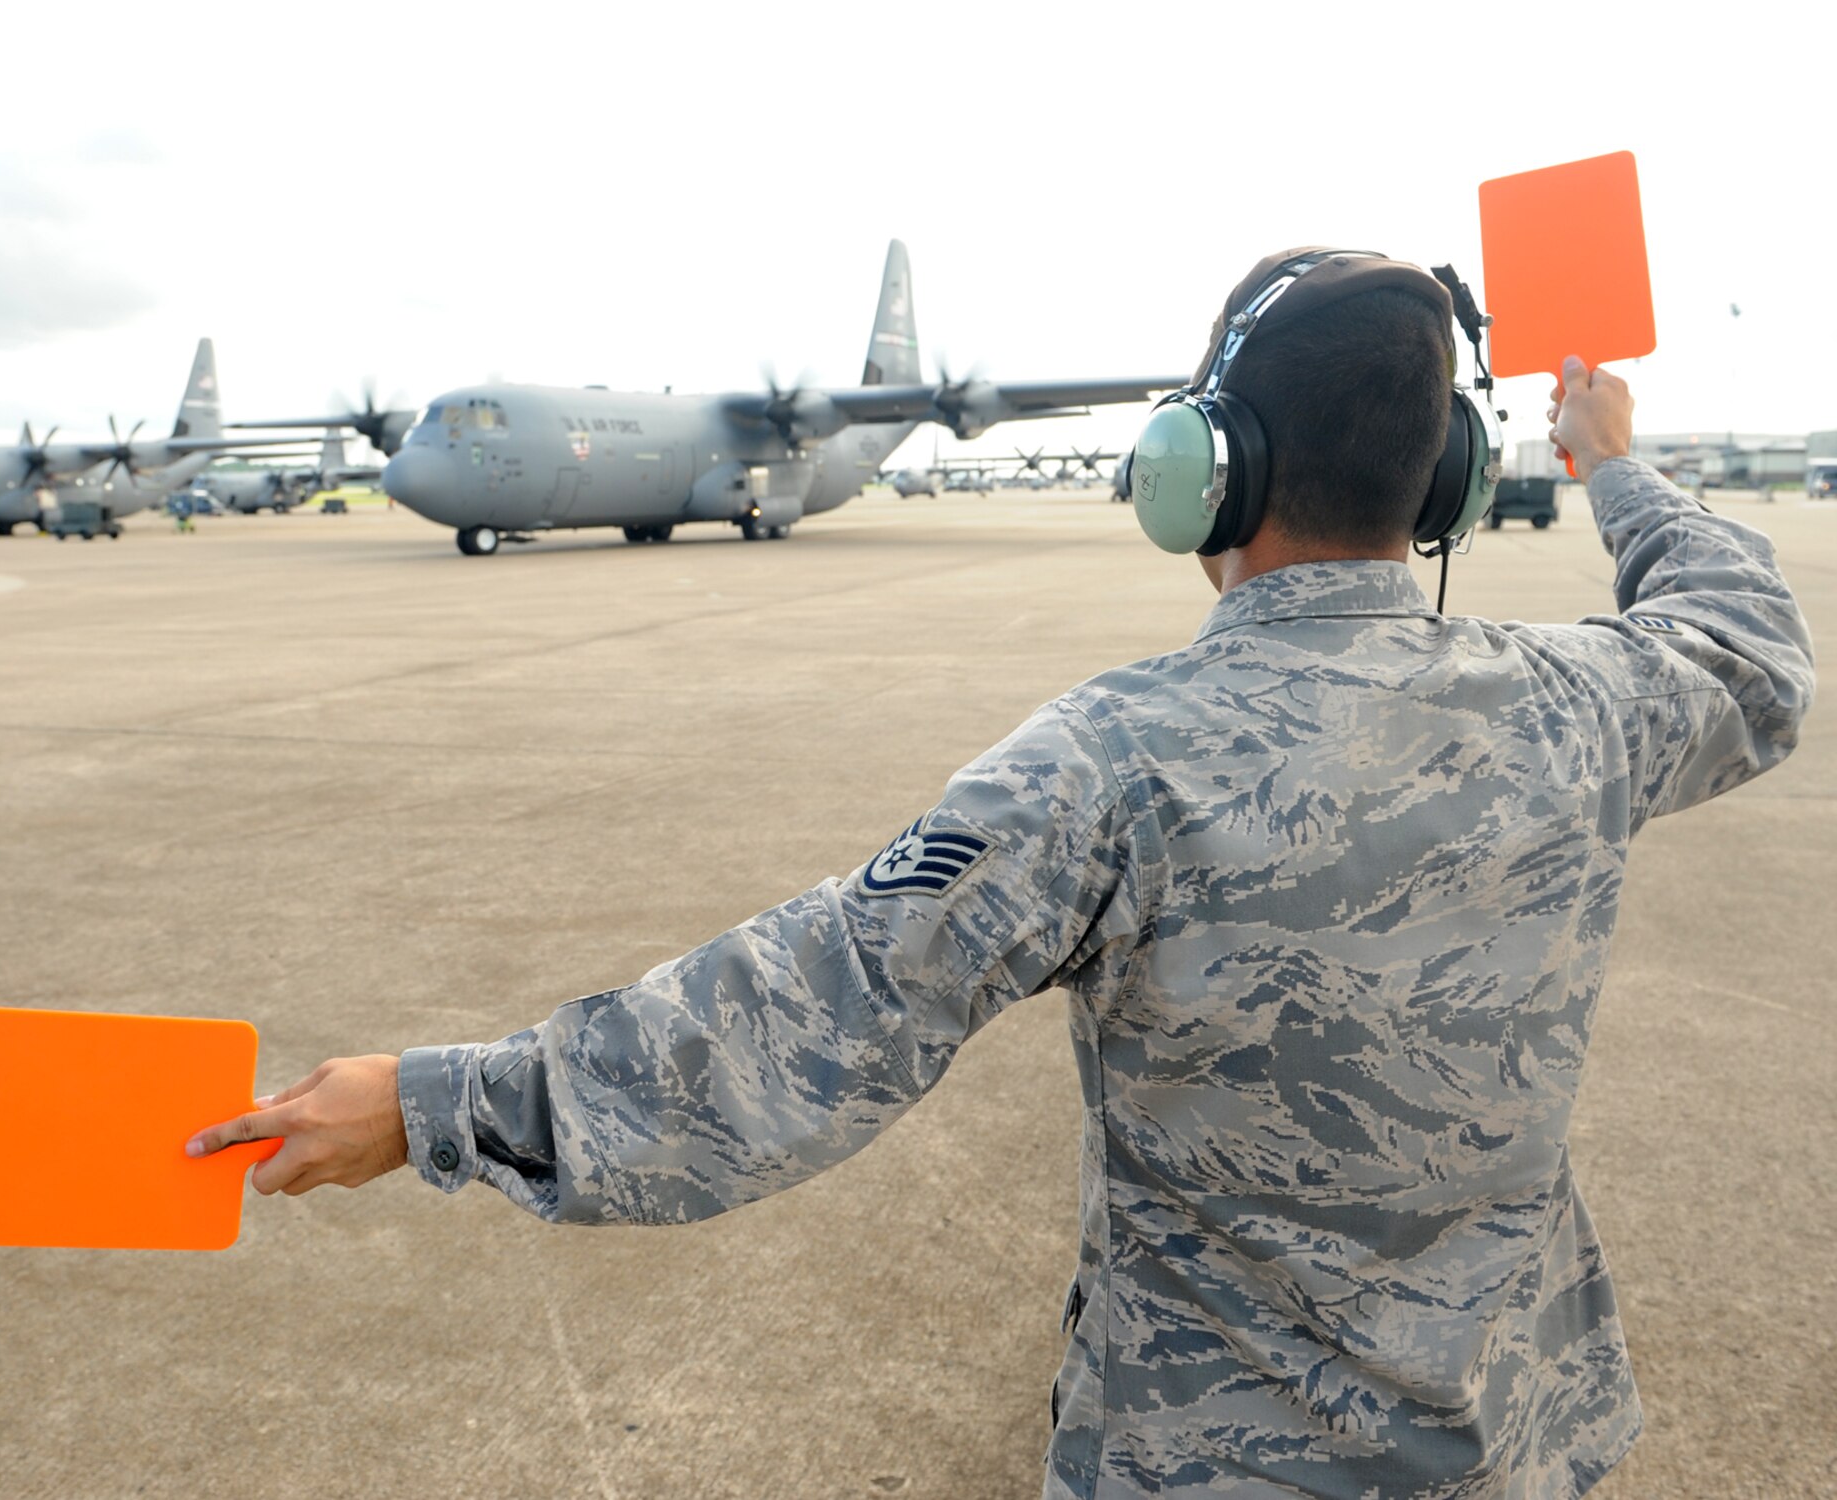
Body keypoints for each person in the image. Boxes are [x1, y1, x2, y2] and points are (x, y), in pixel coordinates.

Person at [189, 249, 1814, 1497]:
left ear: (1201, 472)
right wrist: (1613, 460)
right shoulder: (1585, 706)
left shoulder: (1109, 764)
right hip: (1519, 1441)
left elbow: (793, 1025)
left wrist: (430, 1101)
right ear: (1448, 480)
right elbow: (1746, 650)